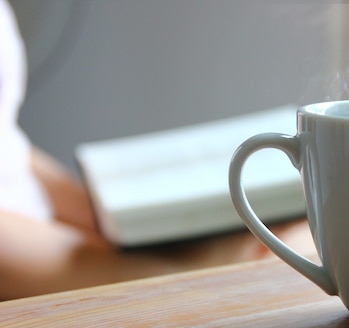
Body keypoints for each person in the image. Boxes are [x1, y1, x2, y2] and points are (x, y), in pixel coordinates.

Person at [0, 0, 313, 300]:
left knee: (296, 239)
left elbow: (8, 144)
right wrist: (186, 270)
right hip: (27, 287)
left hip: (50, 244)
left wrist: (107, 220)